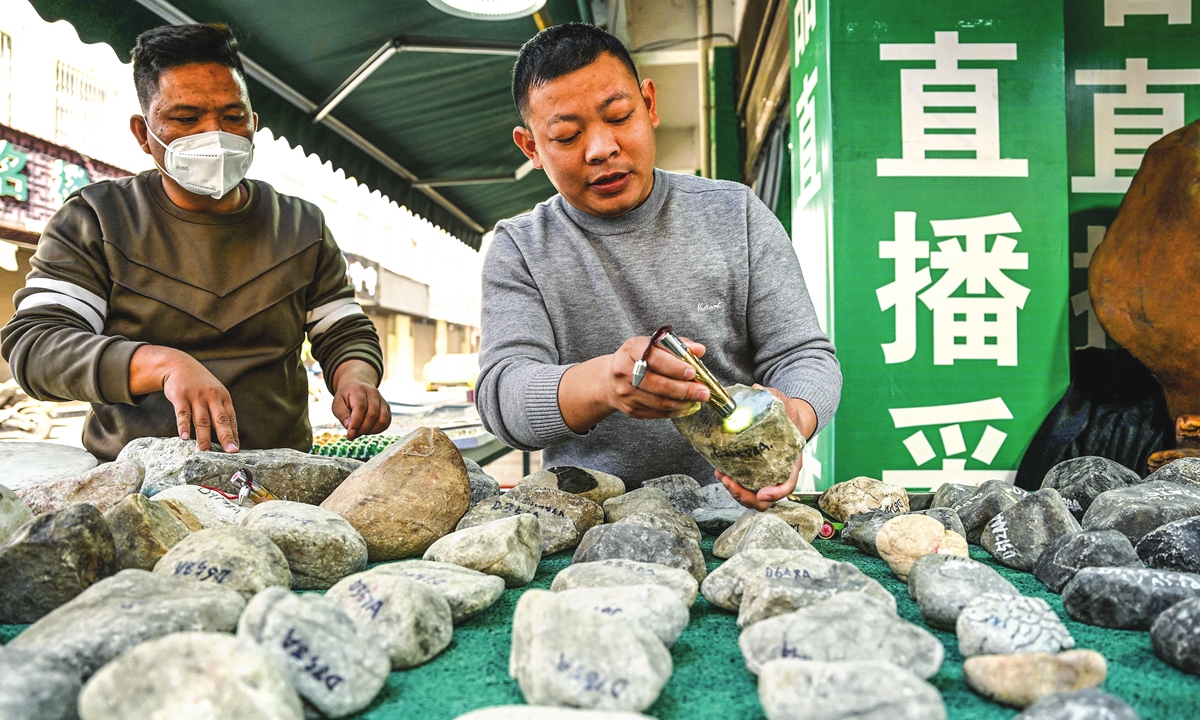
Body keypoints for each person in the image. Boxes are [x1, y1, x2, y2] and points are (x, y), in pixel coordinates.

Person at [475, 24, 841, 510]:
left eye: (619, 116)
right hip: (587, 517)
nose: (600, 148)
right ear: (532, 148)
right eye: (566, 135)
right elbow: (503, 395)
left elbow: (803, 356)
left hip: (736, 507)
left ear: (649, 104)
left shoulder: (736, 213)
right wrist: (606, 383)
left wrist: (791, 418)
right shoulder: (519, 248)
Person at [0, 23, 390, 461]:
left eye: (232, 117)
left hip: (281, 477)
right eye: (186, 119)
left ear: (253, 124)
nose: (215, 136)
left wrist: (356, 378)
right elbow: (36, 344)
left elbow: (343, 331)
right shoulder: (96, 220)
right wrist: (160, 365)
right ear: (143, 134)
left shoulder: (302, 226)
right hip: (137, 486)